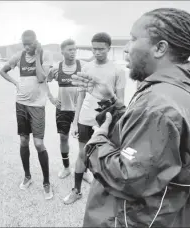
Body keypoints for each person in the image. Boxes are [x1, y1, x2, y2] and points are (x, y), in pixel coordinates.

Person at [72, 8, 190, 227]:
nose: (126, 49)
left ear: (160, 48)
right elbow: (148, 140)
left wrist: (96, 142)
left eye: (133, 39)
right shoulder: (184, 90)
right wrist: (112, 103)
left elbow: (127, 177)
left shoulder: (159, 105)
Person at [63, 33, 126, 205]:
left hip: (106, 121)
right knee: (82, 154)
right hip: (85, 118)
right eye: (94, 49)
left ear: (109, 48)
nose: (97, 52)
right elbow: (80, 97)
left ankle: (106, 195)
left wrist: (109, 93)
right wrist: (75, 122)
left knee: (106, 156)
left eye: (101, 49)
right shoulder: (86, 68)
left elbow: (120, 102)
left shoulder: (118, 70)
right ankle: (76, 191)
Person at [0, 30, 54, 200]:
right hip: (21, 103)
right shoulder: (19, 56)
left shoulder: (46, 54)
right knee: (23, 140)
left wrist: (37, 56)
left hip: (37, 105)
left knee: (38, 144)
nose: (27, 47)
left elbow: (40, 78)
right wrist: (16, 82)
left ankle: (46, 182)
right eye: (24, 44)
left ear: (36, 41)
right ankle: (27, 176)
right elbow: (3, 71)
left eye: (30, 43)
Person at [46, 39, 89, 179]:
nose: (73, 52)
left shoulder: (82, 65)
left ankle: (84, 171)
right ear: (62, 52)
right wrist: (52, 99)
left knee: (83, 141)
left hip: (80, 110)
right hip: (63, 109)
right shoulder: (56, 69)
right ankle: (66, 168)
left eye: (74, 49)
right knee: (63, 138)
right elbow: (43, 82)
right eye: (70, 50)